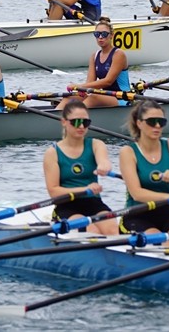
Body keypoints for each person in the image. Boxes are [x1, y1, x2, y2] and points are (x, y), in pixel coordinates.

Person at [120, 100, 169, 247]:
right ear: (139, 123)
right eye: (152, 122)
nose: (157, 126)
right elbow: (137, 193)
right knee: (163, 243)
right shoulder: (128, 152)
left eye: (161, 122)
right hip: (137, 213)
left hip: (166, 212)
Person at [43, 98, 119, 236]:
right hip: (66, 206)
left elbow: (104, 161)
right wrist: (84, 189)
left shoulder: (96, 144)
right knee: (92, 231)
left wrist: (104, 166)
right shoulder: (52, 153)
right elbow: (53, 191)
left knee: (113, 230)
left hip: (93, 203)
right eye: (76, 122)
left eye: (86, 122)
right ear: (64, 122)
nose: (82, 127)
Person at [69, 17, 130, 109]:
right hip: (105, 96)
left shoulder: (118, 54)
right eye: (97, 34)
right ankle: (59, 118)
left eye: (104, 34)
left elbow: (108, 82)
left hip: (122, 97)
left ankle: (76, 116)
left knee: (93, 97)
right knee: (70, 97)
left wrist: (79, 86)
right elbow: (90, 83)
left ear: (111, 35)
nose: (100, 37)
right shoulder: (94, 56)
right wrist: (80, 90)